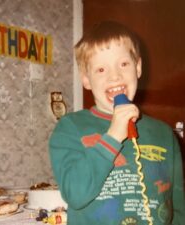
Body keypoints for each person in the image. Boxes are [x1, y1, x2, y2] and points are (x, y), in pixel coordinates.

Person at [49, 21, 185, 225]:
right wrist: (112, 136)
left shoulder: (164, 133)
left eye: (123, 64)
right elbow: (75, 194)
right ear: (86, 79)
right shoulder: (70, 128)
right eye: (101, 69)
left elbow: (177, 206)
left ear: (137, 67)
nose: (115, 76)